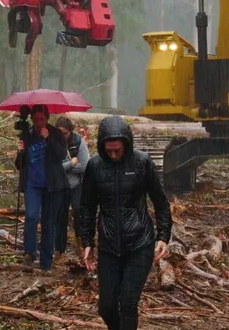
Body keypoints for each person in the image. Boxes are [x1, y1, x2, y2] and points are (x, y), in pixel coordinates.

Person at [78, 116, 171, 330]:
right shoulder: (95, 166)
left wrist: (163, 236)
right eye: (109, 151)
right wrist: (87, 241)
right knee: (106, 307)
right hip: (109, 246)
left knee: (128, 303)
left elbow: (161, 201)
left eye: (117, 150)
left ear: (126, 145)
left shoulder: (141, 162)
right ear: (102, 147)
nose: (113, 155)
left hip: (140, 244)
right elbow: (87, 206)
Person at [14, 104, 70, 271]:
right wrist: (20, 151)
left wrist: (48, 139)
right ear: (31, 119)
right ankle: (29, 253)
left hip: (52, 185)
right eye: (35, 119)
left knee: (49, 222)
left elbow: (61, 155)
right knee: (31, 216)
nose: (39, 122)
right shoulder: (27, 135)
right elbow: (19, 165)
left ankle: (46, 261)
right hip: (32, 184)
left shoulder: (56, 134)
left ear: (47, 118)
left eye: (41, 119)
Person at [54, 115, 89, 261]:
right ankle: (59, 250)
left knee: (79, 212)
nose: (62, 136)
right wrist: (71, 163)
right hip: (60, 186)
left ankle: (82, 245)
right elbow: (53, 168)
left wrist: (65, 167)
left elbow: (85, 165)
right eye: (59, 133)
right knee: (60, 217)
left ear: (70, 132)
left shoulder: (78, 141)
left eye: (65, 133)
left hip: (76, 185)